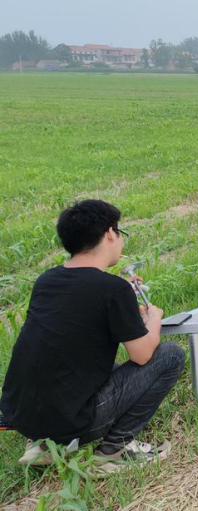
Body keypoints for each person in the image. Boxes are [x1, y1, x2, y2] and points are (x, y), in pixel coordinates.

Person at [0, 200, 185, 469]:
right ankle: (115, 449)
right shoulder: (112, 290)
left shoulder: (47, 280)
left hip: (21, 415)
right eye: (120, 232)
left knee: (98, 367)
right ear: (110, 233)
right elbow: (143, 354)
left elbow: (78, 312)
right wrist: (153, 319)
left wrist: (122, 297)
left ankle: (44, 444)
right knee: (170, 355)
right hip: (72, 420)